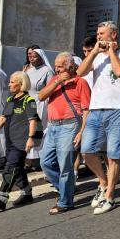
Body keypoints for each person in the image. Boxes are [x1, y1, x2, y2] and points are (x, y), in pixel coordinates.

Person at [75, 21, 120, 215]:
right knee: (86, 151)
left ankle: (109, 196)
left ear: (113, 35)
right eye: (98, 34)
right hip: (96, 109)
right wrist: (94, 52)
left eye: (102, 33)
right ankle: (104, 181)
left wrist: (111, 52)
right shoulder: (96, 55)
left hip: (117, 109)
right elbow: (80, 73)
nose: (98, 36)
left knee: (113, 154)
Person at [37, 52, 91, 214]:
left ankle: (65, 202)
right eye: (56, 66)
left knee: (65, 166)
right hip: (52, 126)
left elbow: (87, 110)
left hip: (70, 126)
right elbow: (41, 96)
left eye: (60, 66)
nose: (57, 69)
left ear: (70, 66)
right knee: (45, 162)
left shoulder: (80, 82)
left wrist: (82, 132)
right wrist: (56, 83)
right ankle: (67, 189)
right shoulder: (54, 80)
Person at [0, 72, 40, 210]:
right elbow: (3, 118)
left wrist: (31, 138)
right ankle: (27, 194)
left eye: (12, 82)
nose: (9, 84)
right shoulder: (10, 100)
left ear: (21, 84)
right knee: (18, 167)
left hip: (21, 141)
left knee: (11, 167)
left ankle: (2, 197)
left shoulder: (29, 101)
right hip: (10, 140)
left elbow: (33, 121)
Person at [23, 47, 53, 172]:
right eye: (30, 55)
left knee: (38, 130)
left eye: (34, 55)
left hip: (41, 103)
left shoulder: (47, 71)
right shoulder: (28, 70)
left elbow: (51, 90)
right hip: (28, 102)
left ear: (41, 57)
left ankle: (35, 161)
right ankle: (27, 159)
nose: (31, 57)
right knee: (27, 131)